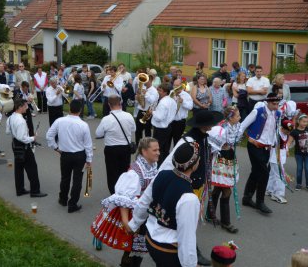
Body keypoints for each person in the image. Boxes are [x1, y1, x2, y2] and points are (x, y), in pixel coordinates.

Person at [129, 110, 224, 266]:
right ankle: (192, 251)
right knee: (184, 226)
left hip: (191, 187)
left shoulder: (201, 138)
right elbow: (167, 167)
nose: (213, 125)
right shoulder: (186, 143)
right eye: (211, 123)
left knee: (187, 224)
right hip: (184, 191)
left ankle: (190, 248)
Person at [91, 137, 159, 267]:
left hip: (146, 213)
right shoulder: (134, 173)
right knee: (131, 250)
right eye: (155, 150)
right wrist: (125, 221)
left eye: (158, 149)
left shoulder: (152, 165)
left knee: (138, 250)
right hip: (135, 215)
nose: (158, 152)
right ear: (144, 152)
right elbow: (124, 198)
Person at [144, 142, 201, 267]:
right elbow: (186, 237)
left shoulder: (162, 174)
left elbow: (145, 200)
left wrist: (134, 223)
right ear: (194, 165)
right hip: (166, 249)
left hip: (150, 238)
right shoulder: (189, 198)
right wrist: (190, 264)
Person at [46, 100, 93, 213]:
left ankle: (63, 199)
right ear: (80, 110)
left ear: (70, 108)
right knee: (77, 180)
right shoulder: (83, 125)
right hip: (79, 155)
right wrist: (89, 159)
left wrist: (55, 147)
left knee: (65, 178)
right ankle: (72, 204)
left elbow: (49, 135)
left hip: (65, 154)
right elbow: (88, 145)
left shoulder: (59, 121)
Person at [239, 93, 281, 214]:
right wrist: (248, 138)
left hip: (267, 148)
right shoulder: (258, 111)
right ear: (267, 102)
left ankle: (247, 198)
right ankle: (260, 201)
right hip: (254, 146)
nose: (276, 106)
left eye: (278, 104)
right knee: (264, 173)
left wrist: (273, 143)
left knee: (256, 172)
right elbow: (242, 125)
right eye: (274, 104)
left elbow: (274, 130)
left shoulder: (277, 114)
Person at [207, 106, 243, 234]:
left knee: (218, 188)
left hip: (229, 157)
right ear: (230, 118)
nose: (239, 118)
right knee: (226, 190)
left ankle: (210, 213)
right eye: (237, 116)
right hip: (220, 159)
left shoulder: (236, 126)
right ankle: (226, 222)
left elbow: (234, 141)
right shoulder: (221, 130)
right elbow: (212, 144)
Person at [7, 99, 47, 198]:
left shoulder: (11, 117)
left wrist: (18, 133)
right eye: (25, 106)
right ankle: (35, 191)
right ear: (20, 107)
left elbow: (7, 131)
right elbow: (23, 138)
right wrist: (33, 138)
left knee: (19, 168)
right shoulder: (20, 120)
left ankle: (19, 189)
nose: (27, 108)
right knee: (32, 168)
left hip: (15, 144)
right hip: (23, 146)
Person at [96, 95, 136, 194]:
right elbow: (133, 129)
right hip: (125, 148)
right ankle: (123, 191)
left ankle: (114, 193)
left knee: (112, 172)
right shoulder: (128, 116)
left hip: (111, 149)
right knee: (124, 171)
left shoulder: (106, 119)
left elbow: (98, 133)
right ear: (120, 103)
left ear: (109, 104)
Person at [266, 119, 293, 204]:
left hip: (282, 156)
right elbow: (270, 143)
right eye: (288, 131)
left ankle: (269, 189)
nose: (289, 133)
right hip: (275, 157)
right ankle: (278, 194)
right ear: (283, 129)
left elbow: (285, 144)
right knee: (280, 176)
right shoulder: (276, 134)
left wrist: (287, 150)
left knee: (273, 174)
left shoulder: (286, 134)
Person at [151, 83, 177, 165]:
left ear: (165, 92)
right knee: (165, 149)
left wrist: (152, 112)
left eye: (160, 90)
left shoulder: (163, 103)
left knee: (158, 149)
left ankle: (158, 166)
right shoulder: (172, 100)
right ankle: (165, 165)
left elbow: (159, 117)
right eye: (158, 90)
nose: (158, 92)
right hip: (168, 127)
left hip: (160, 129)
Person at [290, 114, 308, 192]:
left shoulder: (307, 129)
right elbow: (289, 142)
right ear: (299, 121)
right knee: (299, 169)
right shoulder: (294, 132)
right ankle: (299, 184)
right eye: (303, 122)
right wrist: (285, 150)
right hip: (298, 154)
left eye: (306, 122)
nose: (305, 123)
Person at [135, 74, 158, 144]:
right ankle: (138, 144)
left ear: (151, 80)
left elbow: (152, 101)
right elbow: (139, 100)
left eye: (146, 80)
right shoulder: (143, 88)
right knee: (138, 130)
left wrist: (146, 94)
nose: (144, 82)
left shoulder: (154, 91)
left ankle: (148, 145)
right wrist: (137, 98)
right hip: (141, 110)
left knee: (147, 131)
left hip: (148, 113)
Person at [170, 77, 193, 146]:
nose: (175, 87)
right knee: (167, 140)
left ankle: (175, 156)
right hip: (170, 120)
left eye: (177, 85)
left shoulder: (186, 95)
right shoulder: (171, 93)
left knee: (177, 141)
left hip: (179, 122)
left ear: (181, 86)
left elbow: (190, 107)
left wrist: (183, 102)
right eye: (174, 85)